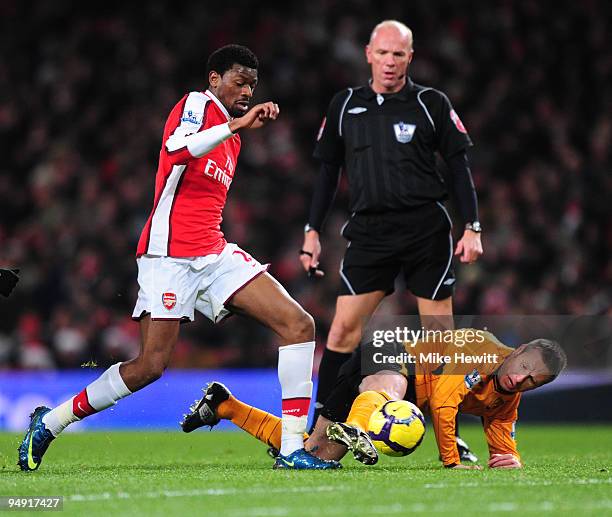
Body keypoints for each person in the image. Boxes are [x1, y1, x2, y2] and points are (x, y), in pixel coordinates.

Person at [18, 44, 339, 472]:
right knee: (150, 366)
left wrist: (236, 127)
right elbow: (177, 147)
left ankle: (292, 449)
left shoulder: (234, 137)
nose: (246, 91)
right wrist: (236, 124)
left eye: (252, 86)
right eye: (239, 82)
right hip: (168, 256)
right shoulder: (197, 105)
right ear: (214, 80)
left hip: (213, 251)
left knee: (299, 325)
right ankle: (51, 422)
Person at [299, 20, 483, 461]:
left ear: (409, 58)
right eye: (382, 53)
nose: (389, 61)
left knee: (440, 337)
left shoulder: (430, 103)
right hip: (370, 232)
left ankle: (447, 434)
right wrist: (311, 231)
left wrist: (472, 226)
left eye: (398, 54)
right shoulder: (345, 105)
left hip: (426, 228)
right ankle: (320, 428)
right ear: (368, 54)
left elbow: (458, 167)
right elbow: (327, 173)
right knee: (342, 330)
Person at [182, 330, 567, 469]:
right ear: (517, 350)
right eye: (524, 366)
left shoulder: (507, 396)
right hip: (390, 354)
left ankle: (224, 405)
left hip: (383, 390)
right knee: (394, 390)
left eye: (533, 381)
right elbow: (446, 405)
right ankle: (357, 425)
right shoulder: (481, 352)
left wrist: (506, 457)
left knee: (310, 454)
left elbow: (501, 429)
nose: (521, 379)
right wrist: (451, 461)